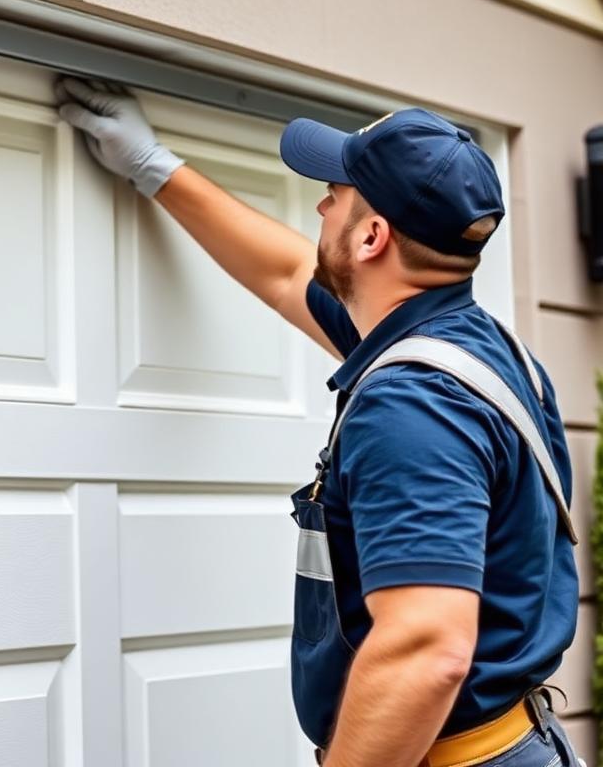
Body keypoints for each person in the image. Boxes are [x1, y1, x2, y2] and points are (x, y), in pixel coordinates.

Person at [54, 76, 584, 767]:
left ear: (371, 236)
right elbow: (284, 273)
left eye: (337, 192)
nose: (320, 203)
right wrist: (155, 166)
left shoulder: (414, 404)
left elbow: (425, 651)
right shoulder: (476, 348)